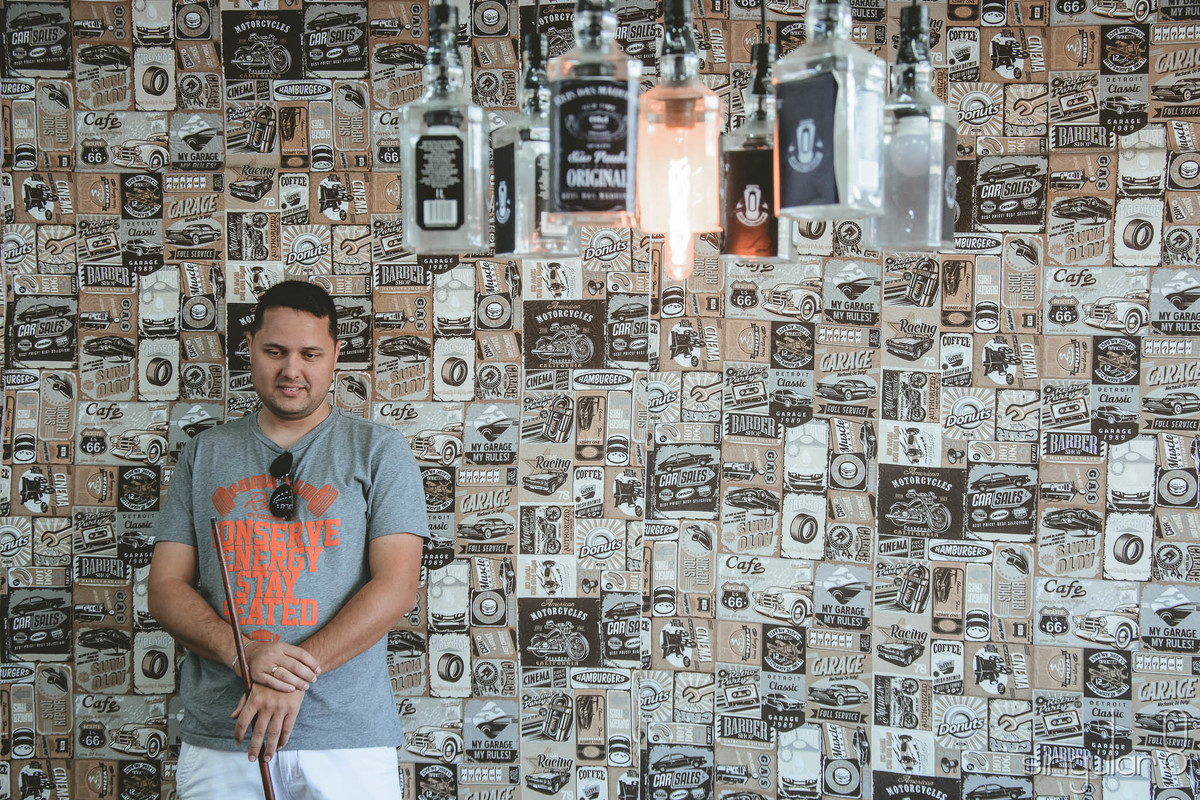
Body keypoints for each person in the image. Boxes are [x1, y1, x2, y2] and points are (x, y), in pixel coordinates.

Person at [148, 280, 428, 799]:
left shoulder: (380, 451)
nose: (291, 370)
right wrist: (243, 654)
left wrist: (289, 676)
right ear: (250, 347)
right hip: (225, 733)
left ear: (336, 356)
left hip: (346, 738)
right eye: (275, 351)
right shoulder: (204, 453)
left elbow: (397, 587)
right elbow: (165, 588)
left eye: (309, 354)